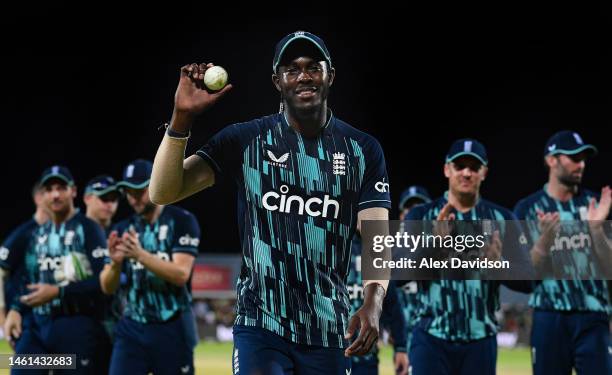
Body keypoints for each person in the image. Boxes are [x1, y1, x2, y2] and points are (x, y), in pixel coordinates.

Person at [149, 31, 391, 374]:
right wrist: (181, 119)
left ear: (330, 75)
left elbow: (377, 238)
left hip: (328, 329)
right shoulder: (246, 140)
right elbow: (162, 192)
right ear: (277, 81)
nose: (303, 75)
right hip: (261, 325)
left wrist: (373, 301)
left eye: (313, 67)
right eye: (291, 69)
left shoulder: (363, 150)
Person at [406, 139, 532, 375]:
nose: (466, 173)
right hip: (431, 337)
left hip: (480, 340)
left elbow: (528, 281)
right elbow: (398, 274)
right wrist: (433, 247)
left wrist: (498, 266)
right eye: (459, 165)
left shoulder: (503, 218)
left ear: (484, 172)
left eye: (474, 167)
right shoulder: (421, 215)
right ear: (447, 169)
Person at [513, 130, 611, 375]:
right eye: (574, 158)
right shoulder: (527, 209)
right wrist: (544, 243)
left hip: (593, 315)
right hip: (550, 315)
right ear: (551, 160)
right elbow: (522, 276)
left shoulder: (595, 204)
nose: (581, 164)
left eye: (583, 158)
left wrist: (597, 231)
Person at [100, 159, 201, 375]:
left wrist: (140, 255)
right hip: (131, 327)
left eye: (139, 190)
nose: (133, 197)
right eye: (128, 191)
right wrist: (116, 264)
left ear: (155, 184)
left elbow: (181, 274)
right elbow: (107, 287)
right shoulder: (122, 228)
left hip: (172, 326)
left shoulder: (182, 221)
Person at [4, 166, 108, 374]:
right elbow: (26, 277)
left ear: (73, 191)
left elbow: (102, 284)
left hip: (76, 326)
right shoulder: (37, 234)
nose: (55, 194)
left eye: (61, 187)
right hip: (37, 328)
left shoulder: (88, 229)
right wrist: (15, 308)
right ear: (42, 196)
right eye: (49, 189)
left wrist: (59, 291)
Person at [1, 182, 49, 348]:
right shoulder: (23, 235)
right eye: (48, 191)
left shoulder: (64, 233)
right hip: (22, 320)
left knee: (63, 363)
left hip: (48, 320)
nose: (54, 196)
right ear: (38, 198)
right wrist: (2, 315)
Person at [395, 185, 431, 372]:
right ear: (402, 215)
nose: (415, 212)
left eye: (420, 206)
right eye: (410, 208)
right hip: (403, 342)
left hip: (432, 338)